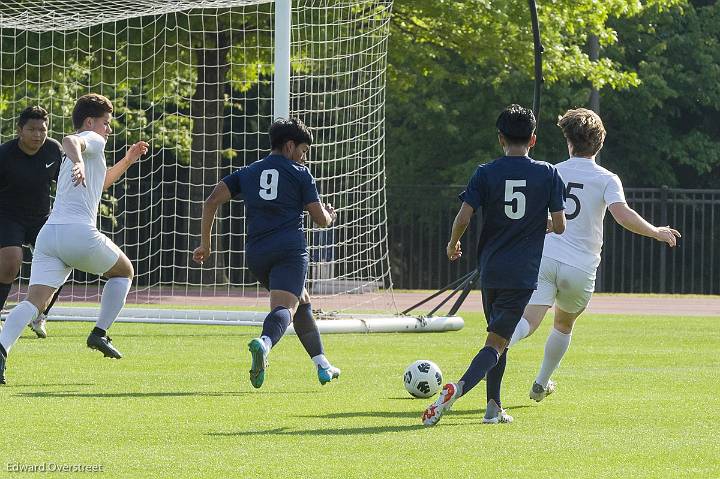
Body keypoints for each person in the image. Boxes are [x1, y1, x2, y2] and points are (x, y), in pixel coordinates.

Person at [506, 108, 681, 402]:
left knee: (528, 322)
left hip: (546, 258)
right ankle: (541, 383)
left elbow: (534, 215)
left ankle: (491, 351)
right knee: (563, 324)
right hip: (581, 266)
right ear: (600, 143)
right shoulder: (607, 178)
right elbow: (622, 215)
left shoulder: (553, 170)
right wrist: (655, 231)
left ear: (568, 141)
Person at [422, 104, 566, 426]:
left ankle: (493, 407)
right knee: (497, 342)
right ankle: (455, 391)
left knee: (497, 338)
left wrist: (452, 244)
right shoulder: (548, 173)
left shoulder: (485, 172)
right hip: (522, 273)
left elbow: (463, 217)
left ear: (500, 138)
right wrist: (535, 223)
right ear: (533, 139)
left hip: (491, 270)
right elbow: (559, 225)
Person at [0, 93, 149, 384]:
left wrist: (128, 160)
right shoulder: (90, 140)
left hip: (49, 236)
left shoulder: (89, 153)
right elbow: (71, 140)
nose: (109, 129)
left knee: (35, 302)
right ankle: (100, 332)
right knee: (125, 271)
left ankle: (1, 350)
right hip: (76, 233)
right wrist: (79, 159)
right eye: (106, 122)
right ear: (91, 122)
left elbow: (100, 183)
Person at [192, 118, 341, 389]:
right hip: (289, 252)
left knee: (302, 302)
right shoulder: (299, 173)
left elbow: (211, 200)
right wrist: (329, 215)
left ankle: (322, 364)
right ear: (289, 145)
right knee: (284, 307)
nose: (304, 158)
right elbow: (319, 219)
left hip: (257, 254)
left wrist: (206, 244)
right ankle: (265, 343)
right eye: (303, 151)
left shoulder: (248, 172)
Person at [0, 106, 65, 338]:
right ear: (20, 130)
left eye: (42, 129)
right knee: (11, 262)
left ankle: (40, 315)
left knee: (63, 259)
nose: (38, 135)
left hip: (41, 219)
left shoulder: (54, 150)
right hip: (8, 217)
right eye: (32, 129)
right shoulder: (4, 154)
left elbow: (65, 184)